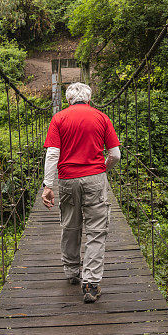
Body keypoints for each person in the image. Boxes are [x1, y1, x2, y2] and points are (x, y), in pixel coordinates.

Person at [42, 82, 121, 303]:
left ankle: (71, 271)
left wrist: (48, 185)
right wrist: (100, 170)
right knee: (96, 231)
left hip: (67, 180)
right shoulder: (102, 117)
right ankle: (91, 284)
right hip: (95, 179)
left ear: (68, 100)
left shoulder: (59, 118)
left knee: (70, 225)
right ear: (89, 99)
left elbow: (52, 155)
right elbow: (115, 155)